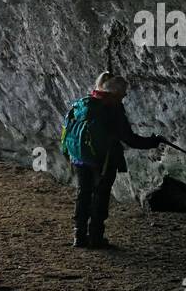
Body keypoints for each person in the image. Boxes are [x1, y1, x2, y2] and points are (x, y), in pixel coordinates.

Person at [60, 71, 164, 249]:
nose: (124, 96)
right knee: (100, 197)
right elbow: (130, 139)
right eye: (123, 93)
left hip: (79, 158)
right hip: (103, 161)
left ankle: (79, 236)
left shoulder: (84, 103)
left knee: (83, 194)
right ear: (115, 93)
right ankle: (95, 237)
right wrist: (154, 141)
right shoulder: (112, 110)